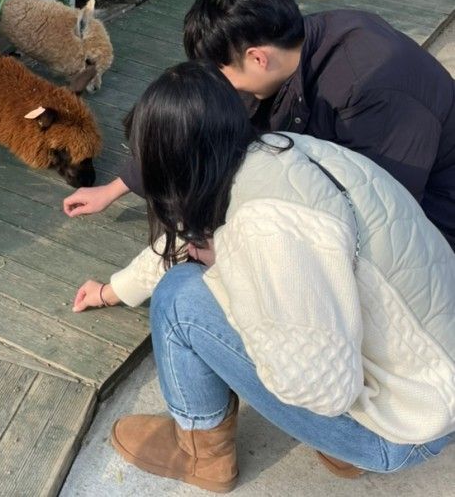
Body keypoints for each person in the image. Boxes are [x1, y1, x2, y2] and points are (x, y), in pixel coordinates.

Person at [76, 60, 455, 491]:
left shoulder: (264, 231)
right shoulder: (284, 149)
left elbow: (322, 388)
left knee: (179, 298)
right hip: (431, 378)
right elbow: (189, 240)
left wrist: (234, 282)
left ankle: (201, 454)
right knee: (195, 277)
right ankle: (342, 448)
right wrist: (112, 291)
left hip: (407, 428)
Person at [64, 0, 455, 248]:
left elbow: (386, 215)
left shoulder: (373, 85)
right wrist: (118, 186)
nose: (222, 88)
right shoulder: (282, 46)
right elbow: (196, 122)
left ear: (256, 58)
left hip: (432, 220)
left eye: (222, 73)